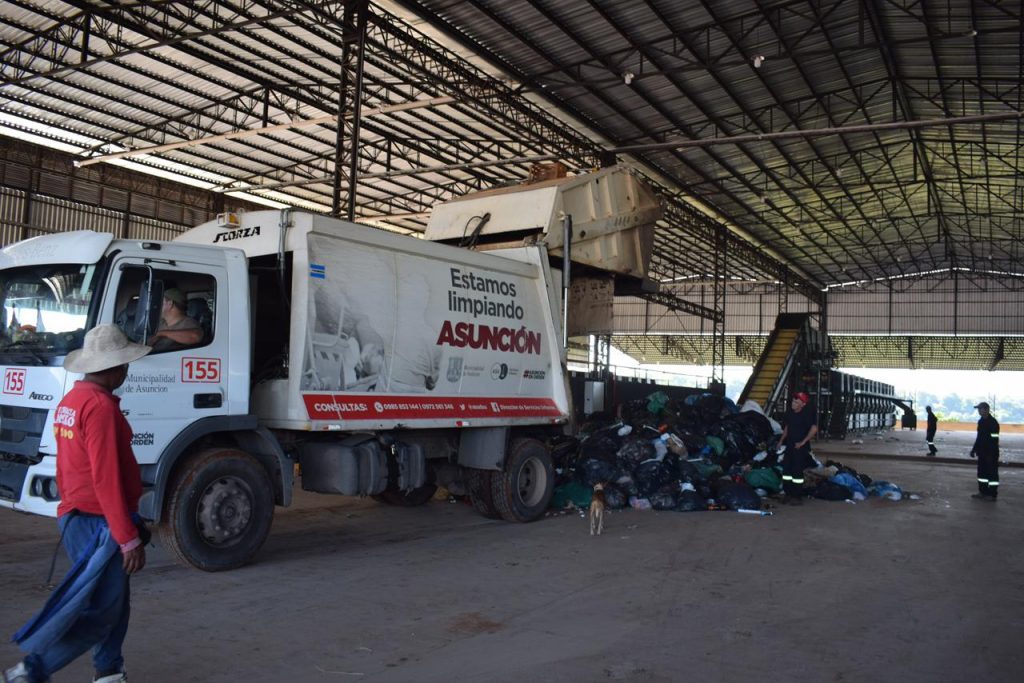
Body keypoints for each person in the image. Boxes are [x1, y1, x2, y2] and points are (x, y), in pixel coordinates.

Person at [5, 325, 151, 683]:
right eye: (125, 364)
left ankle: (109, 670)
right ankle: (31, 671)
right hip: (98, 523)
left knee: (116, 603)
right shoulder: (100, 407)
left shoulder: (72, 401)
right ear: (115, 368)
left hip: (77, 516)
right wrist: (126, 536)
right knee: (102, 611)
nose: (128, 371)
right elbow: (105, 479)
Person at [778, 391, 818, 505]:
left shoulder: (806, 415)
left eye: (796, 402)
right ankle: (788, 493)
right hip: (790, 446)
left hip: (800, 448)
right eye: (793, 401)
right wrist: (781, 441)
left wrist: (802, 442)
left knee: (797, 472)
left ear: (803, 404)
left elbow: (814, 429)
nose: (793, 403)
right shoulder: (790, 413)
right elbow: (787, 427)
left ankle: (797, 496)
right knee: (787, 471)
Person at [969, 401, 1000, 501]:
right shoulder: (981, 421)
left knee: (992, 474)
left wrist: (990, 453)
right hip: (982, 453)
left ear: (986, 410)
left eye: (980, 409)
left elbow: (994, 440)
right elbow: (979, 438)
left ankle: (992, 495)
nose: (978, 411)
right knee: (982, 474)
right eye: (978, 409)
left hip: (991, 453)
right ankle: (983, 492)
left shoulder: (993, 423)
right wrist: (974, 449)